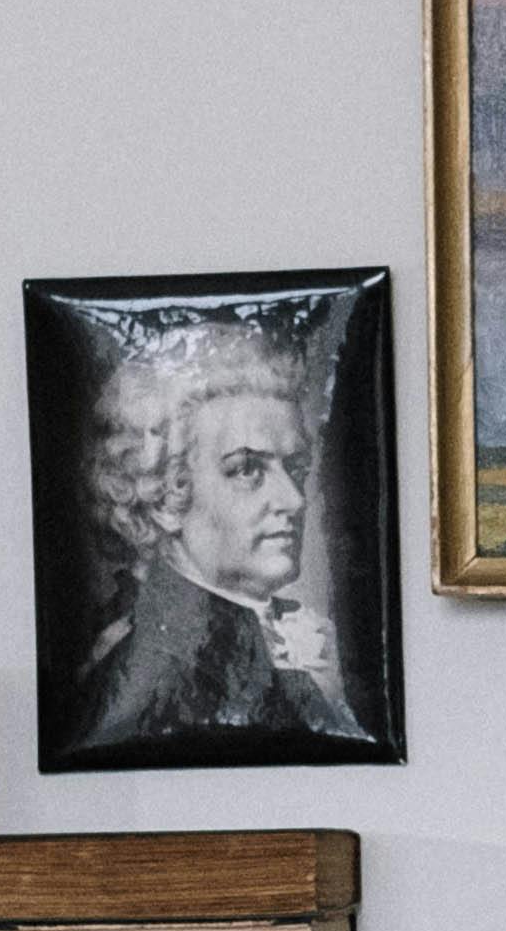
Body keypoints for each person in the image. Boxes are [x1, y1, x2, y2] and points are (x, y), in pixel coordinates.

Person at [80, 319, 354, 746]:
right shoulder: (150, 676)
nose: (294, 500)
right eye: (246, 469)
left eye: (296, 468)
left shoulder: (302, 643)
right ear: (165, 495)